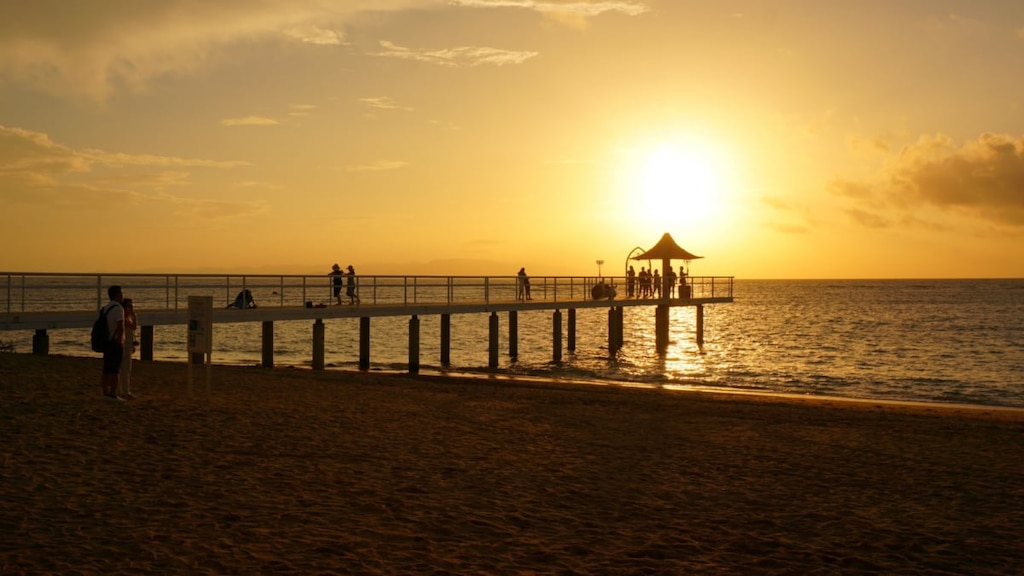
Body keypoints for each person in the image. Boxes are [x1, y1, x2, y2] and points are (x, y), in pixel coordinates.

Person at [99, 285, 125, 400]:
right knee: (115, 369)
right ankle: (113, 393)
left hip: (106, 341)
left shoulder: (105, 308)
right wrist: (120, 341)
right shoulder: (119, 308)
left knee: (106, 368)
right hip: (114, 342)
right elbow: (121, 326)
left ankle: (105, 392)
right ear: (117, 295)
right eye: (121, 293)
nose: (122, 296)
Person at [118, 298, 138, 400]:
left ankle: (124, 391)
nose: (131, 308)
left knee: (126, 370)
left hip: (128, 345)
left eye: (132, 306)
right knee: (123, 369)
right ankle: (123, 391)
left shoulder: (128, 318)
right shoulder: (123, 319)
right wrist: (134, 318)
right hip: (123, 346)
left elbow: (133, 332)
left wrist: (133, 345)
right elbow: (133, 327)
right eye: (129, 306)